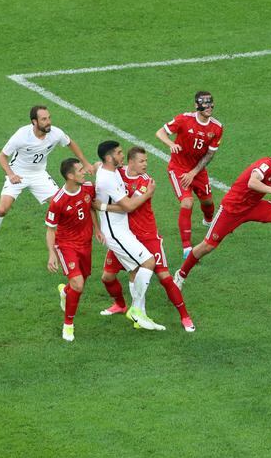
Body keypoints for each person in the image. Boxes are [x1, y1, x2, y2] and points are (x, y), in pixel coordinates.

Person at [174, 141, 271, 288]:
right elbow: (252, 182)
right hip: (232, 210)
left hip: (254, 207)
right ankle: (180, 275)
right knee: (207, 246)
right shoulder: (266, 165)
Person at [0, 105, 93, 263]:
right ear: (34, 122)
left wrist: (85, 163)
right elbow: (2, 156)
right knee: (2, 209)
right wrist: (11, 175)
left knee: (61, 206)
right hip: (18, 174)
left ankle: (67, 246)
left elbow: (70, 143)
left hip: (39, 175)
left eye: (49, 118)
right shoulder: (21, 136)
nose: (48, 122)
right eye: (44, 119)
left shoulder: (55, 133)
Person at [97, 147, 194, 332]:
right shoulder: (117, 172)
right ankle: (122, 306)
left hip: (147, 236)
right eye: (142, 161)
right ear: (130, 162)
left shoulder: (146, 181)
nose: (145, 165)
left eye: (146, 161)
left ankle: (185, 316)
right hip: (124, 236)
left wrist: (102, 206)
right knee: (108, 277)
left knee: (164, 277)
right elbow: (100, 167)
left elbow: (129, 207)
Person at [93, 140, 164, 331]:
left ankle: (140, 314)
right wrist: (148, 194)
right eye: (118, 153)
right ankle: (135, 310)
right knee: (148, 263)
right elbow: (129, 206)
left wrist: (100, 206)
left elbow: (95, 165)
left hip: (122, 230)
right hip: (116, 233)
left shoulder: (108, 169)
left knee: (134, 271)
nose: (122, 155)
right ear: (109, 158)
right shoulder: (107, 179)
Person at [155, 91, 224, 258]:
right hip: (178, 168)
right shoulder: (184, 119)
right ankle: (187, 247)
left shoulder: (217, 127)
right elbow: (160, 133)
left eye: (210, 103)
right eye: (205, 104)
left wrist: (193, 173)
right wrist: (171, 144)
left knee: (207, 201)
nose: (209, 107)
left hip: (197, 170)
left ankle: (208, 221)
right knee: (187, 202)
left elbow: (210, 154)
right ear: (197, 105)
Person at [45, 159, 102, 341]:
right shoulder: (58, 201)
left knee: (80, 283)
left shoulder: (87, 188)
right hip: (66, 245)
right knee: (78, 284)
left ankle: (65, 292)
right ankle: (68, 325)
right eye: (79, 170)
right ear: (70, 176)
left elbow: (91, 208)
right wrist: (51, 254)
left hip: (86, 244)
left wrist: (97, 229)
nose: (84, 171)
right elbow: (50, 229)